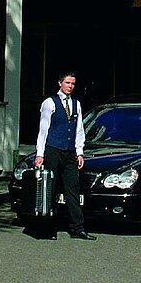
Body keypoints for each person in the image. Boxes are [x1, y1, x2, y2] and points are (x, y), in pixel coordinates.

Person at [33, 71, 93, 240]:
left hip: (69, 151)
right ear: (60, 83)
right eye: (67, 83)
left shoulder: (76, 104)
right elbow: (43, 130)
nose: (70, 86)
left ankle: (77, 228)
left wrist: (79, 152)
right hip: (53, 149)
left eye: (73, 83)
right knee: (50, 188)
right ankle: (47, 228)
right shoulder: (49, 103)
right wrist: (40, 154)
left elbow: (79, 130)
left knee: (72, 189)